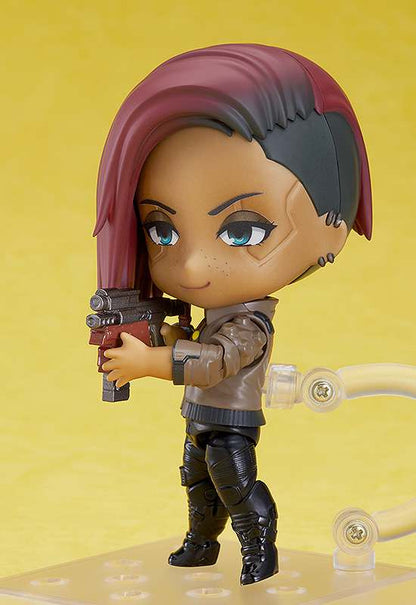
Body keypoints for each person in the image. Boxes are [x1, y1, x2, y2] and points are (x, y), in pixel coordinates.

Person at [94, 44, 372, 585]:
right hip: (200, 415)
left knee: (235, 484)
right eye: (162, 231)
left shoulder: (250, 324)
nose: (193, 264)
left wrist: (151, 363)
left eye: (242, 231)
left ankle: (259, 547)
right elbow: (198, 344)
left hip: (231, 420)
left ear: (331, 226)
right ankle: (202, 542)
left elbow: (215, 361)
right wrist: (162, 333)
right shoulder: (218, 314)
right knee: (197, 482)